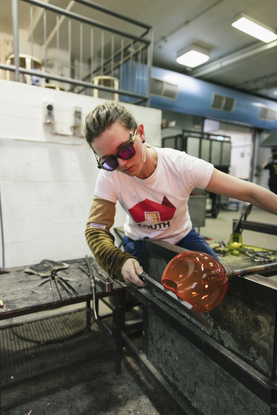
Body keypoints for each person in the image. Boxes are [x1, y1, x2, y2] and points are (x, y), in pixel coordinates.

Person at [85, 102, 277, 287]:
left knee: (219, 281)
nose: (122, 164)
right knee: (148, 294)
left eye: (125, 150)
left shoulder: (181, 165)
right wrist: (118, 261)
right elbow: (96, 230)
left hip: (182, 237)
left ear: (140, 133)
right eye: (110, 161)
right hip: (140, 242)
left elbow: (250, 193)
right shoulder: (109, 177)